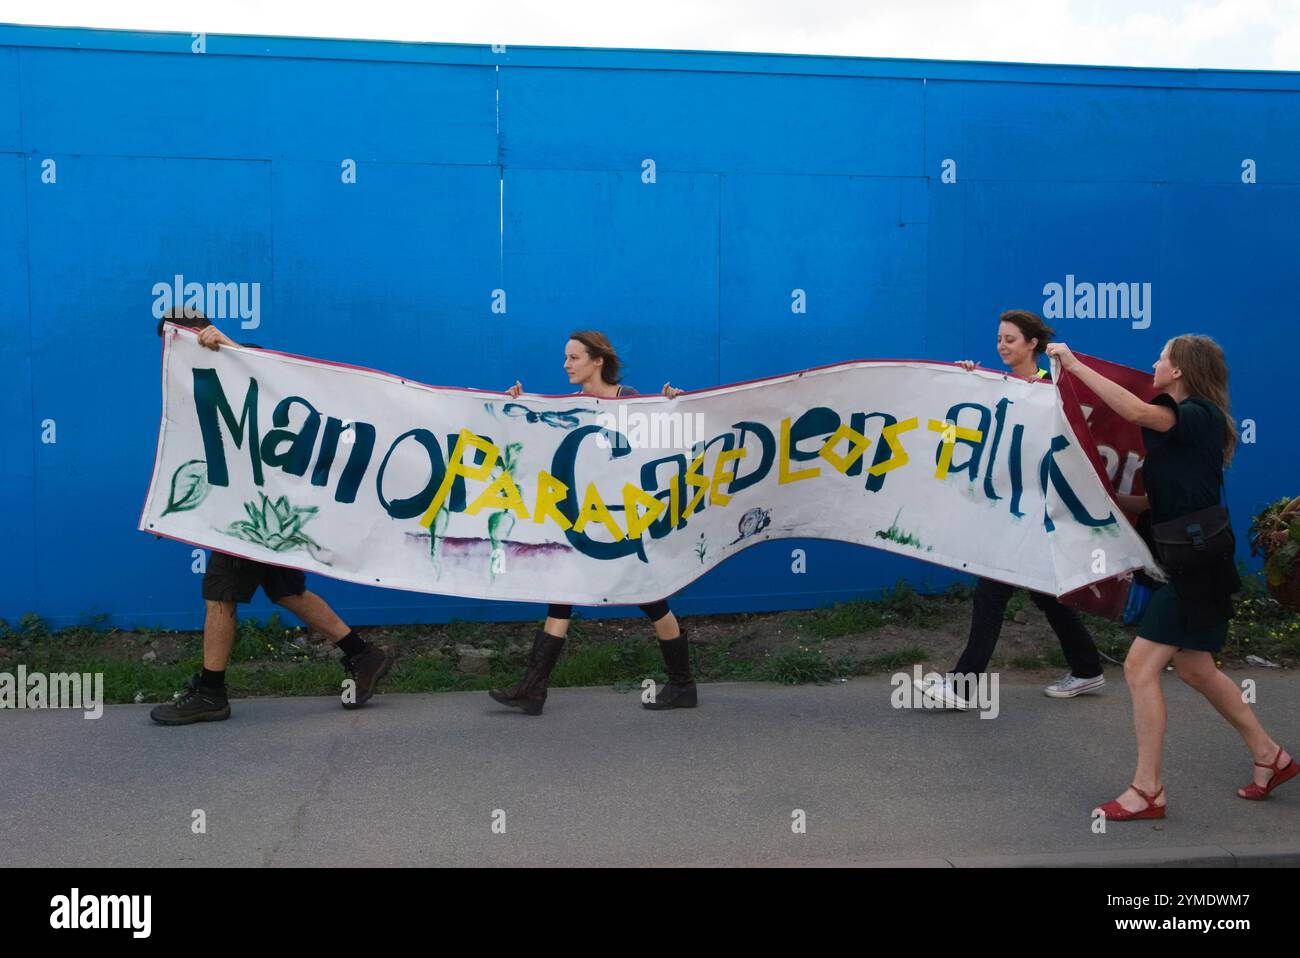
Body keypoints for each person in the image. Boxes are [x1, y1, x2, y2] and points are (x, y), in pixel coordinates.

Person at [1046, 334, 1294, 819]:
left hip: (1195, 566)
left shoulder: (1198, 414)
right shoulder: (1185, 424)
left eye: (1161, 358)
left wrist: (1073, 365)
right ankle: (1272, 757)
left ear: (1179, 370)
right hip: (1190, 560)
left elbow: (1137, 413)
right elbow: (1164, 500)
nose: (1154, 364)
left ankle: (1148, 791)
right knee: (1196, 669)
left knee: (1140, 669)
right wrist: (1114, 503)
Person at [149, 308, 393, 725]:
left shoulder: (240, 359)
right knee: (285, 591)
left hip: (254, 511)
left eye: (177, 337)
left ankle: (211, 692)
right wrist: (175, 510)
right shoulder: (193, 385)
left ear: (196, 333)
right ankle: (362, 655)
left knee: (220, 592)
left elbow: (270, 380)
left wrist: (229, 346)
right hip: (252, 509)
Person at [488, 330, 691, 715]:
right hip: (584, 522)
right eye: (565, 358)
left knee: (650, 598)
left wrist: (672, 406)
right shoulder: (567, 406)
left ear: (598, 361)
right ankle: (533, 688)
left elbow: (666, 442)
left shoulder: (630, 401)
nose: (565, 365)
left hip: (621, 523)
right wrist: (516, 407)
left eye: (574, 358)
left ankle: (683, 684)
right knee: (560, 592)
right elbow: (530, 440)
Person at [916, 310, 1106, 710]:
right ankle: (1087, 668)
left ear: (1032, 344)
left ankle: (963, 686)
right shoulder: (993, 383)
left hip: (1035, 509)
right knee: (1047, 597)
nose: (1001, 345)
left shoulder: (1050, 386)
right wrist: (964, 383)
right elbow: (960, 432)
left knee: (990, 594)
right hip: (1007, 507)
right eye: (999, 339)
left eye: (1010, 339)